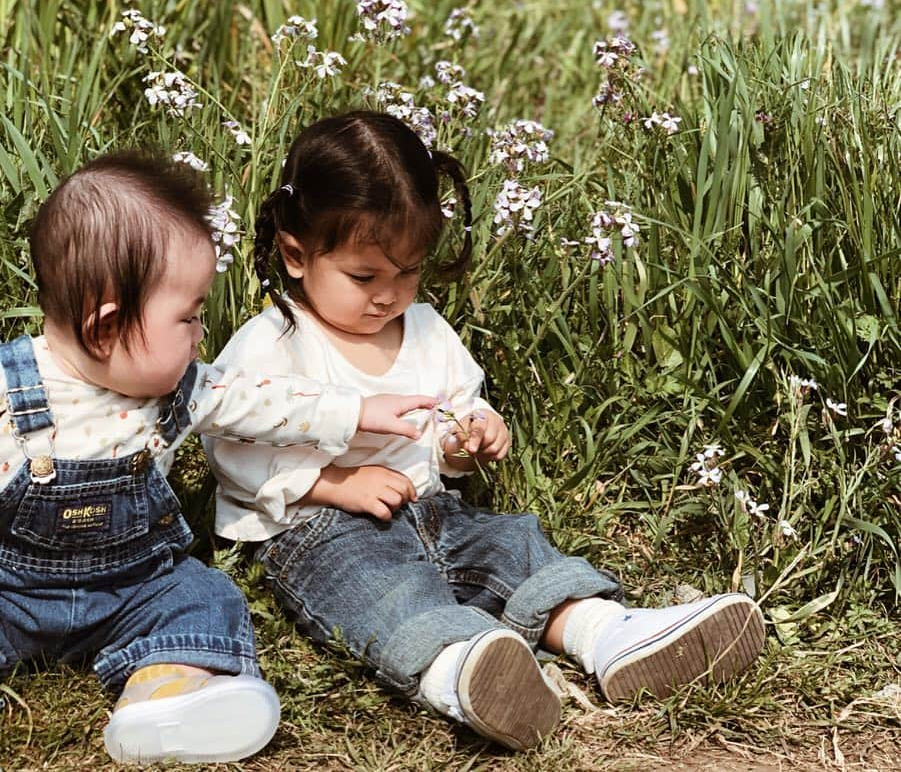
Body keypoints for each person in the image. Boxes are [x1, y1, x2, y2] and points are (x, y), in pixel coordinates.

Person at [205, 111, 766, 751]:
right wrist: (333, 483)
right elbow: (232, 444)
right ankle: (460, 672)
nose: (389, 297)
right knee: (379, 591)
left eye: (409, 272)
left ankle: (607, 633)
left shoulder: (423, 331)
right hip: (321, 531)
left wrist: (468, 437)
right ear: (296, 254)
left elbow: (453, 413)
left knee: (511, 545)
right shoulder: (275, 342)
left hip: (435, 511)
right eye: (364, 277)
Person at [0, 151, 435, 765]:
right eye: (190, 316)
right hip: (15, 590)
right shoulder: (12, 394)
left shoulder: (178, 386)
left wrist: (356, 412)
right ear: (106, 328)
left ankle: (165, 693)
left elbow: (263, 402)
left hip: (134, 587)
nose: (202, 333)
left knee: (204, 595)